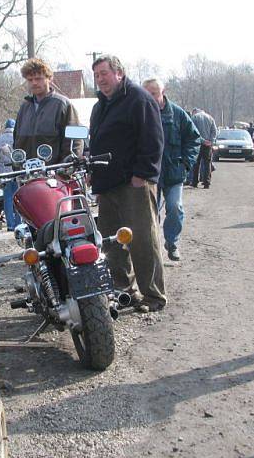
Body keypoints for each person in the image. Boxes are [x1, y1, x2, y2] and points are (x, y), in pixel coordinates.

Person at [89, 55, 167, 312]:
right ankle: (123, 292)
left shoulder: (138, 99)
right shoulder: (100, 106)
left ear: (119, 73)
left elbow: (153, 140)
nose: (100, 79)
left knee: (143, 240)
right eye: (97, 75)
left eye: (104, 73)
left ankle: (154, 296)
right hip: (108, 185)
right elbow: (98, 144)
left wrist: (142, 175)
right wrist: (95, 179)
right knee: (112, 242)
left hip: (134, 184)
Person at [142, 78, 201, 262]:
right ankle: (153, 249)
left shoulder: (177, 113)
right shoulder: (141, 114)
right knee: (150, 213)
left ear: (163, 91)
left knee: (175, 207)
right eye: (146, 94)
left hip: (174, 172)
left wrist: (185, 163)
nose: (150, 97)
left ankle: (172, 242)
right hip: (150, 174)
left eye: (154, 93)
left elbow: (194, 139)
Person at [13, 57, 82, 162]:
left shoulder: (63, 105)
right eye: (30, 80)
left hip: (54, 175)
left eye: (38, 78)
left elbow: (74, 143)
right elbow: (16, 142)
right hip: (25, 175)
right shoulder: (24, 108)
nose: (34, 83)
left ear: (49, 78)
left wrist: (64, 172)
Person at [0, 118, 21, 231]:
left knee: (8, 198)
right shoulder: (18, 137)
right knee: (19, 198)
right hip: (18, 171)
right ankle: (19, 223)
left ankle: (10, 225)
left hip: (4, 172)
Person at [189, 108, 218, 188]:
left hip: (197, 143)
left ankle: (194, 182)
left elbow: (192, 130)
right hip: (208, 144)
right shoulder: (210, 118)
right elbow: (214, 131)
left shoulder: (194, 118)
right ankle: (207, 182)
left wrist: (202, 140)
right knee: (207, 163)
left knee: (196, 163)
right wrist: (210, 141)